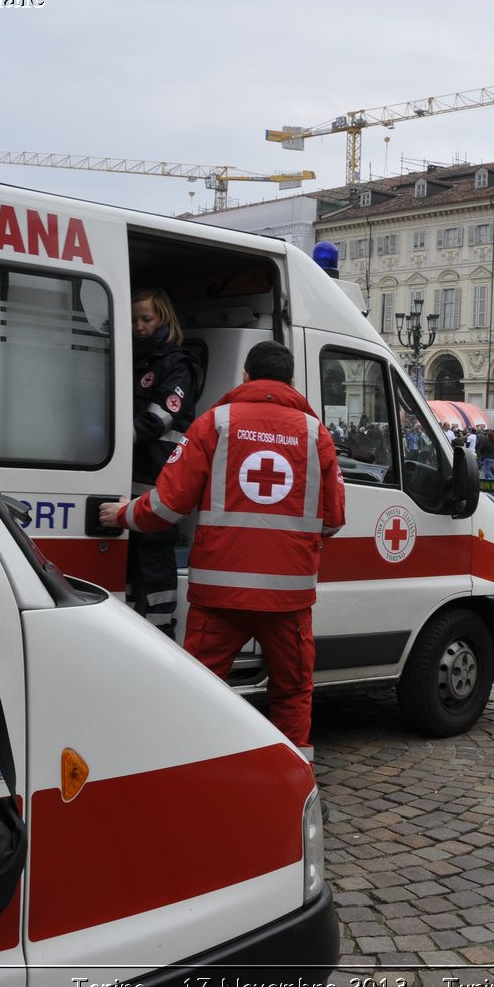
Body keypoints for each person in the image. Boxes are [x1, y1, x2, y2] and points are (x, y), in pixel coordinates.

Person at [100, 340, 346, 759]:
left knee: (201, 688)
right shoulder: (315, 434)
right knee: (292, 692)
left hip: (219, 596)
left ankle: (194, 772)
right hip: (287, 599)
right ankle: (292, 786)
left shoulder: (216, 423)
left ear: (246, 376)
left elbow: (166, 506)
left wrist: (123, 514)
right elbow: (334, 518)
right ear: (291, 381)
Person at [125, 288, 201, 638]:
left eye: (146, 319)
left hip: (159, 479)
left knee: (155, 562)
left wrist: (109, 442)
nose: (139, 326)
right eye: (134, 320)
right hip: (128, 476)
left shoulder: (177, 364)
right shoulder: (133, 358)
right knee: (128, 562)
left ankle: (161, 635)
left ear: (164, 319)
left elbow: (159, 419)